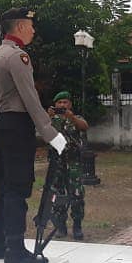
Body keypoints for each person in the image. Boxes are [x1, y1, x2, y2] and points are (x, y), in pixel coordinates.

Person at [0, 8, 68, 263]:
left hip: (1, 123)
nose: (33, 30)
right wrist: (51, 133)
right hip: (17, 124)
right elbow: (29, 98)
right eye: (30, 25)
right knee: (17, 187)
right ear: (20, 27)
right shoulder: (18, 56)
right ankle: (15, 249)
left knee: (1, 184)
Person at [46, 91, 89, 240]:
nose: (62, 105)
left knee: (76, 194)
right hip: (56, 162)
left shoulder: (76, 118)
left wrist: (72, 118)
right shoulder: (51, 120)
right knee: (57, 194)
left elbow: (84, 126)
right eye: (59, 103)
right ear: (55, 105)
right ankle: (60, 226)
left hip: (73, 162)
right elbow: (43, 132)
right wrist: (49, 117)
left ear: (70, 104)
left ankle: (77, 225)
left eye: (65, 102)